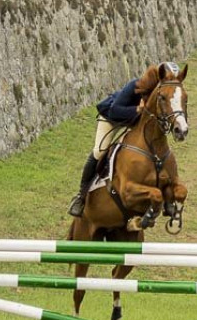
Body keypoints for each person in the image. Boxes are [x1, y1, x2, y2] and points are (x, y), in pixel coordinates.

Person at [68, 71, 164, 217]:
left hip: (130, 123)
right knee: (100, 152)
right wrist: (138, 109)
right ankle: (81, 197)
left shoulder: (159, 95)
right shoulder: (134, 86)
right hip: (110, 118)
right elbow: (115, 109)